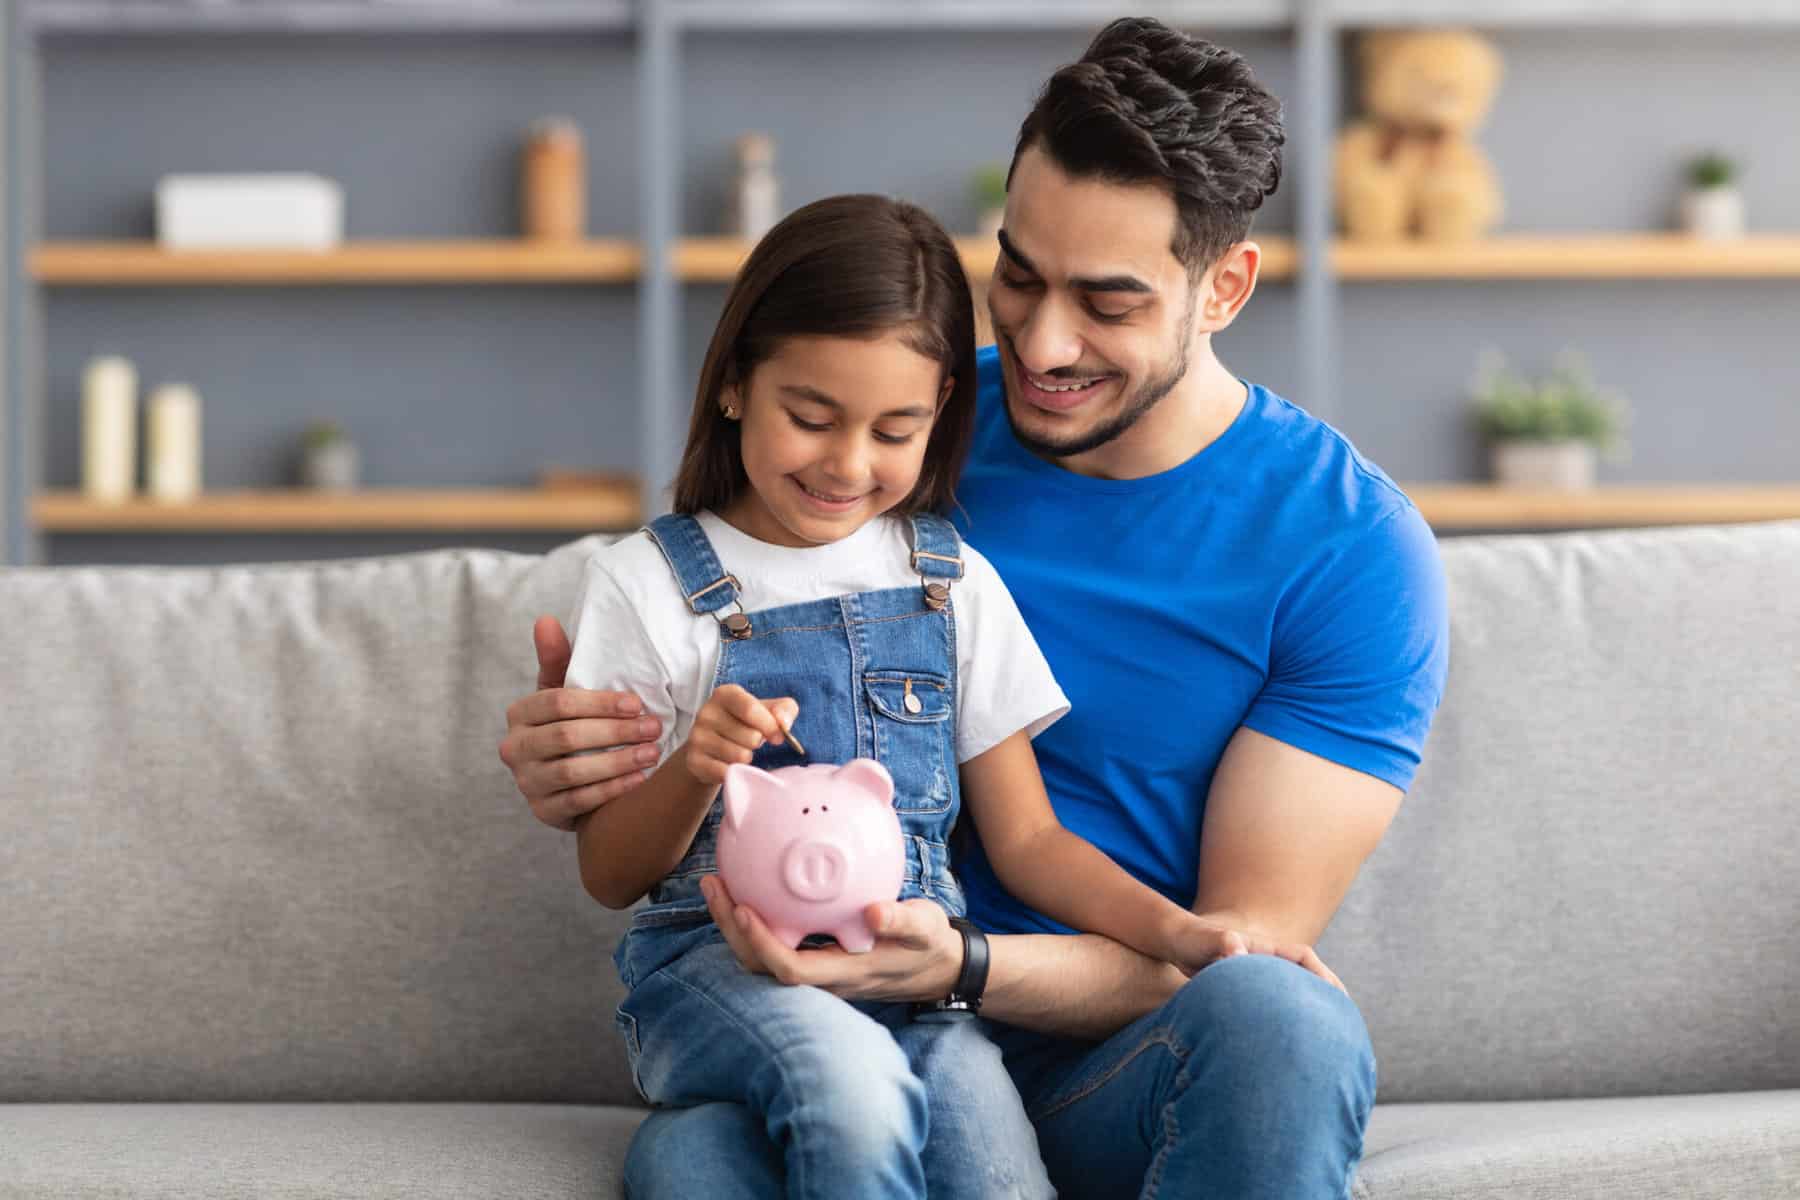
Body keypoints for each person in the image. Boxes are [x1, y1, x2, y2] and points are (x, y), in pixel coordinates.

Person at [500, 17, 1448, 1200]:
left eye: (1107, 302)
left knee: (1286, 1018)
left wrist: (957, 970)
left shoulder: (1349, 551)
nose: (1043, 343)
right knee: (692, 1159)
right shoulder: (904, 421)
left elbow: (1214, 958)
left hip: (1096, 1062)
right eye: (1020, 272)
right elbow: (708, 602)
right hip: (816, 1026)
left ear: (1225, 289)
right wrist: (591, 760)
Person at [563, 192, 1329, 1200]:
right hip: (722, 975)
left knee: (995, 1169)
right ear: (736, 385)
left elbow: (1031, 844)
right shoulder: (650, 584)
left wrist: (1178, 932)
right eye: (812, 417)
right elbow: (611, 874)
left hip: (920, 980)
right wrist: (698, 769)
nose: (848, 463)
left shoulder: (949, 580)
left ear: (939, 423)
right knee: (853, 1086)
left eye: (896, 430)